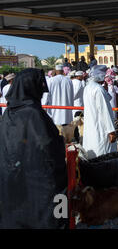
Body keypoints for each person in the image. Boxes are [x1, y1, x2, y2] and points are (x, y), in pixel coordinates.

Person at [0, 69, 67, 228]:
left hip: (12, 177)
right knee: (59, 205)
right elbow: (49, 148)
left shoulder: (9, 113)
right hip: (41, 180)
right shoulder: (34, 114)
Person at [83, 65, 116, 158]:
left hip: (91, 127)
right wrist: (111, 131)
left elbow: (106, 98)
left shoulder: (88, 87)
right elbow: (104, 111)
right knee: (103, 155)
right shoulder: (98, 89)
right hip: (101, 128)